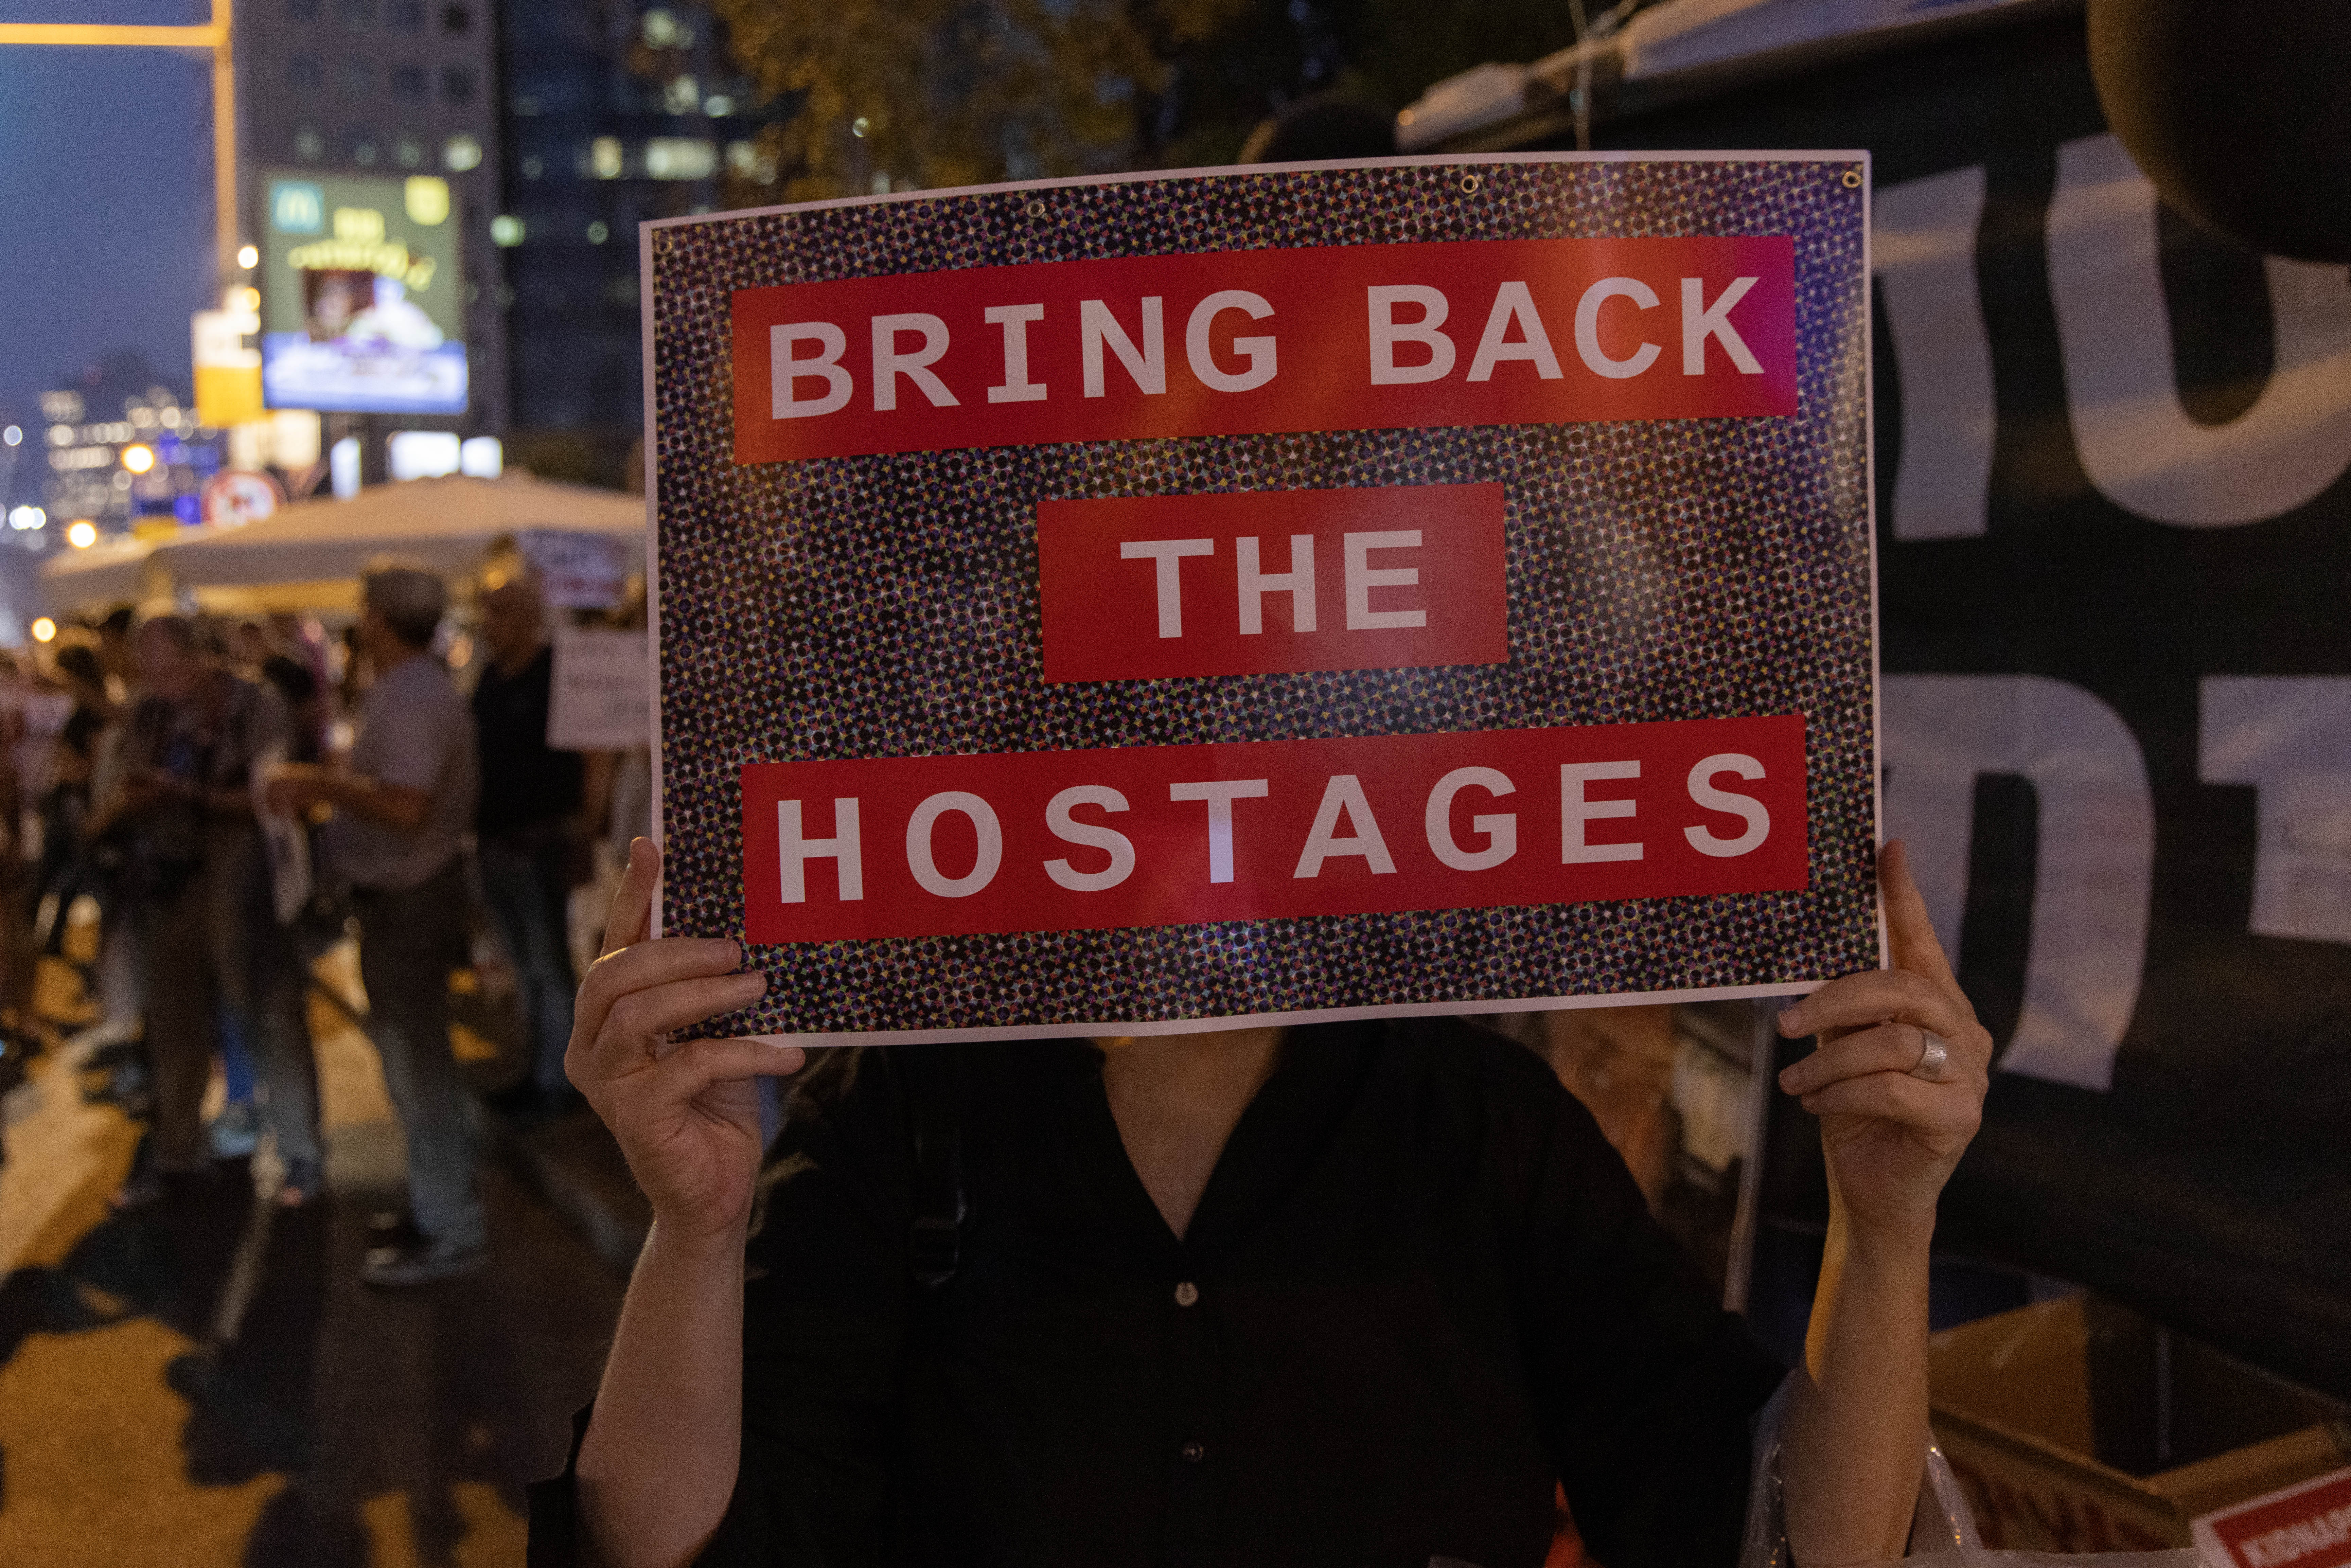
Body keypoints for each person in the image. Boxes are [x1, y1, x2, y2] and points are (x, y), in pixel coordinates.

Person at [532, 838, 1993, 1568]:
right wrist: (692, 1227)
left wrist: (1887, 1224)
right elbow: (667, 1544)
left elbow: (1783, 1535)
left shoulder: (1469, 1119)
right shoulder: (916, 1108)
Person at [270, 562, 485, 1283]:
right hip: (407, 894)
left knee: (417, 1064)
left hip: (411, 897)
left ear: (382, 621)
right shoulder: (411, 688)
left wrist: (321, 785)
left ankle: (452, 1223)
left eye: (366, 611)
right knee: (416, 1063)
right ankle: (440, 1206)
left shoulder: (414, 694)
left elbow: (406, 805)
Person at [103, 615, 320, 1210]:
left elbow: (268, 796)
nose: (158, 682)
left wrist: (183, 794)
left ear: (203, 658)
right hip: (171, 881)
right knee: (174, 1025)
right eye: (149, 671)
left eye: (168, 669)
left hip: (244, 882)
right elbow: (126, 779)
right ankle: (177, 1150)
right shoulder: (150, 712)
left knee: (270, 1016)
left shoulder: (257, 705)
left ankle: (301, 1153)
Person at [470, 561, 588, 1117]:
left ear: (528, 619)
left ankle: (557, 1081)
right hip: (498, 845)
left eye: (500, 612)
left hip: (539, 845)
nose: (488, 623)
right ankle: (539, 1069)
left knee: (547, 963)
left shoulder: (555, 676)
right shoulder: (491, 680)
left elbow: (585, 759)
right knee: (525, 966)